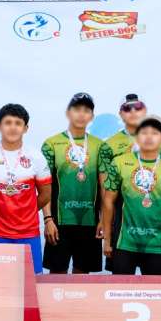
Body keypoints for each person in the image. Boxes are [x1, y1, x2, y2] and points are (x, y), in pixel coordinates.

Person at [0, 103, 51, 273]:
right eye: (8, 122)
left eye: (18, 123)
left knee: (31, 282)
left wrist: (26, 211)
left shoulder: (36, 157)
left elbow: (46, 194)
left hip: (27, 233)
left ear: (25, 128)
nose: (12, 127)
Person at [41, 93, 110, 274]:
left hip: (89, 222)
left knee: (82, 280)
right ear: (68, 113)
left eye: (86, 110)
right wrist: (48, 220)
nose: (81, 114)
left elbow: (105, 187)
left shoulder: (100, 146)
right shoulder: (51, 144)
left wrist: (103, 220)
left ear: (92, 116)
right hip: (59, 222)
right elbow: (44, 187)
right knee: (56, 277)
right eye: (77, 109)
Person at [103, 115, 161, 275]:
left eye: (154, 133)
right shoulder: (119, 162)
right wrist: (107, 240)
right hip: (124, 243)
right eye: (144, 132)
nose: (149, 137)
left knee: (153, 290)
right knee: (120, 289)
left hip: (157, 244)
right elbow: (108, 201)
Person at [104, 94, 161, 163]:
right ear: (120, 114)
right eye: (127, 108)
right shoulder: (108, 145)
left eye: (138, 107)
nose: (133, 111)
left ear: (145, 111)